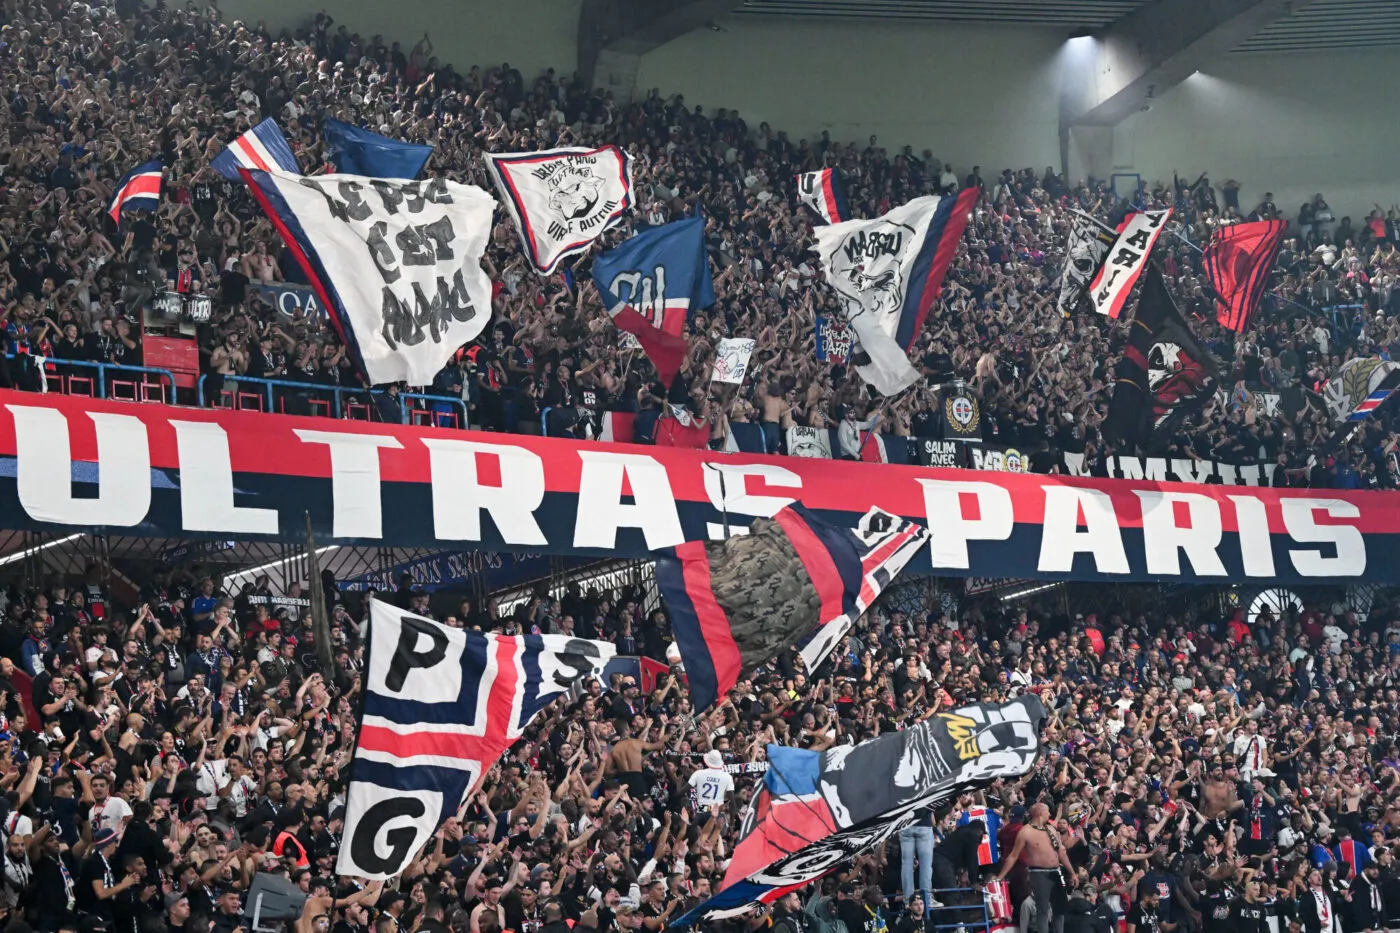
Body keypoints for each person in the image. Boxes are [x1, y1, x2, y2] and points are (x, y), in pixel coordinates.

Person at [995, 804, 1074, 933]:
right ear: (1039, 813)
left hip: (1055, 872)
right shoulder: (1025, 831)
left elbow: (1062, 853)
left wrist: (1072, 872)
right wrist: (1000, 876)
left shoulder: (1051, 829)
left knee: (1060, 910)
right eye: (1048, 811)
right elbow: (1013, 856)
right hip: (1038, 873)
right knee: (1042, 910)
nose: (1050, 815)